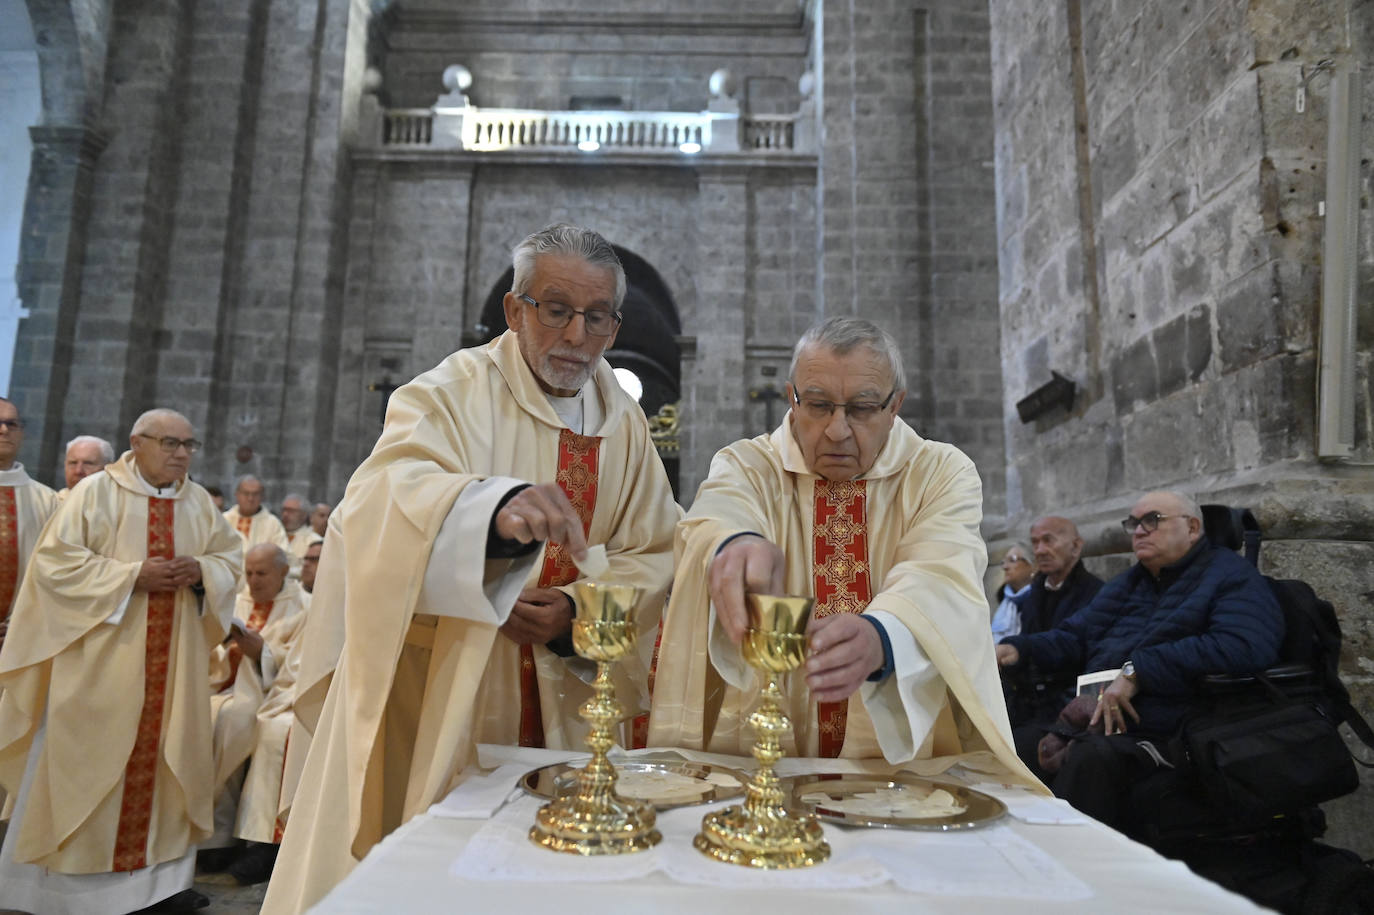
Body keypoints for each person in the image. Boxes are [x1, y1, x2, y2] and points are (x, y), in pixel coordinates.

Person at [262, 224, 679, 914]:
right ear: (515, 310)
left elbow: (655, 548)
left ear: (615, 324)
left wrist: (579, 607)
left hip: (565, 693)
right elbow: (374, 504)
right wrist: (490, 513)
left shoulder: (624, 423)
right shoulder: (451, 391)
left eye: (596, 315)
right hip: (451, 688)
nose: (576, 334)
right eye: (556, 308)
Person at [649, 317, 1038, 790]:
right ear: (791, 398)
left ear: (895, 405)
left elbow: (943, 571)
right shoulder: (749, 465)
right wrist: (734, 543)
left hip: (893, 767)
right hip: (762, 754)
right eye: (818, 405)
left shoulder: (940, 473)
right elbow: (718, 513)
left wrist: (883, 635)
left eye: (861, 408)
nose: (836, 430)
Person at [0, 408, 242, 915]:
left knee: (164, 769)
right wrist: (130, 577)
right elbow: (53, 566)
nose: (181, 454)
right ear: (138, 441)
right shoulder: (95, 494)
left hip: (171, 672)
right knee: (83, 768)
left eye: (188, 445)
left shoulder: (197, 502)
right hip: (98, 667)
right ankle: (61, 898)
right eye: (170, 444)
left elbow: (229, 560)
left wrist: (202, 570)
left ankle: (155, 891)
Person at [994, 491, 1283, 829]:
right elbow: (1076, 635)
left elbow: (1244, 645)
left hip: (1172, 724)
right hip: (1098, 714)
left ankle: (1077, 867)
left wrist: (1139, 671)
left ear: (1192, 528)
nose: (1139, 531)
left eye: (1152, 520)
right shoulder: (1132, 581)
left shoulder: (1229, 575)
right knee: (1015, 743)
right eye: (1134, 523)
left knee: (1090, 760)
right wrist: (1017, 649)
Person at [203, 543, 308, 885]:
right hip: (225, 689)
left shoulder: (304, 606)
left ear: (282, 572)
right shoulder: (238, 601)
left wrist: (263, 653)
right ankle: (213, 838)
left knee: (249, 725)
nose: (253, 580)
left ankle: (244, 841)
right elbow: (209, 652)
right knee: (207, 719)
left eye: (262, 573)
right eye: (248, 573)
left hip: (270, 694)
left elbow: (301, 665)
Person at [0, 399, 60, 649]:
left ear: (21, 432)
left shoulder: (47, 500)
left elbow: (56, 572)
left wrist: (22, 622)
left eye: (11, 424)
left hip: (22, 637)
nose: (4, 430)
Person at [224, 474, 290, 553]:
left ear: (262, 496)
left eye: (255, 494)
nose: (250, 498)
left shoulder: (272, 523)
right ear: (237, 494)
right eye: (246, 493)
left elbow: (282, 553)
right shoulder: (224, 520)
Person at [990, 543, 1034, 641]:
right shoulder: (1003, 600)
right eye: (1003, 562)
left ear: (1032, 566)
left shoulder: (1042, 599)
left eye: (1012, 560)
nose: (1005, 567)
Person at [57, 434, 115, 500]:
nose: (78, 471)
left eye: (88, 463)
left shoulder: (119, 506)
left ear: (109, 469)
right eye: (73, 463)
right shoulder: (52, 505)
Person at [279, 493, 315, 578]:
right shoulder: (275, 534)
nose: (285, 514)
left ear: (304, 515)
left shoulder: (313, 541)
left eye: (291, 511)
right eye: (284, 510)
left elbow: (312, 570)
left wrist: (280, 572)